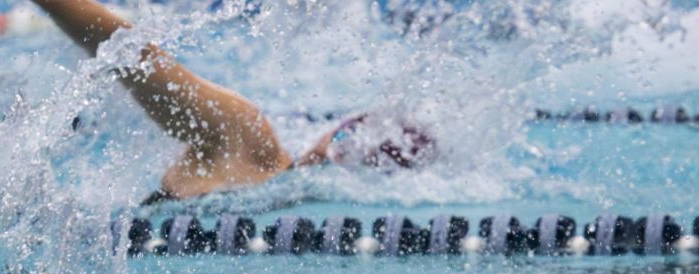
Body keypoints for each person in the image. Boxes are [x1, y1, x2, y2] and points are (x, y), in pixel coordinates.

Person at [22, 0, 435, 201]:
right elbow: (135, 54)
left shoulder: (249, 150)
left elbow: (136, 55)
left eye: (349, 141)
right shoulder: (252, 149)